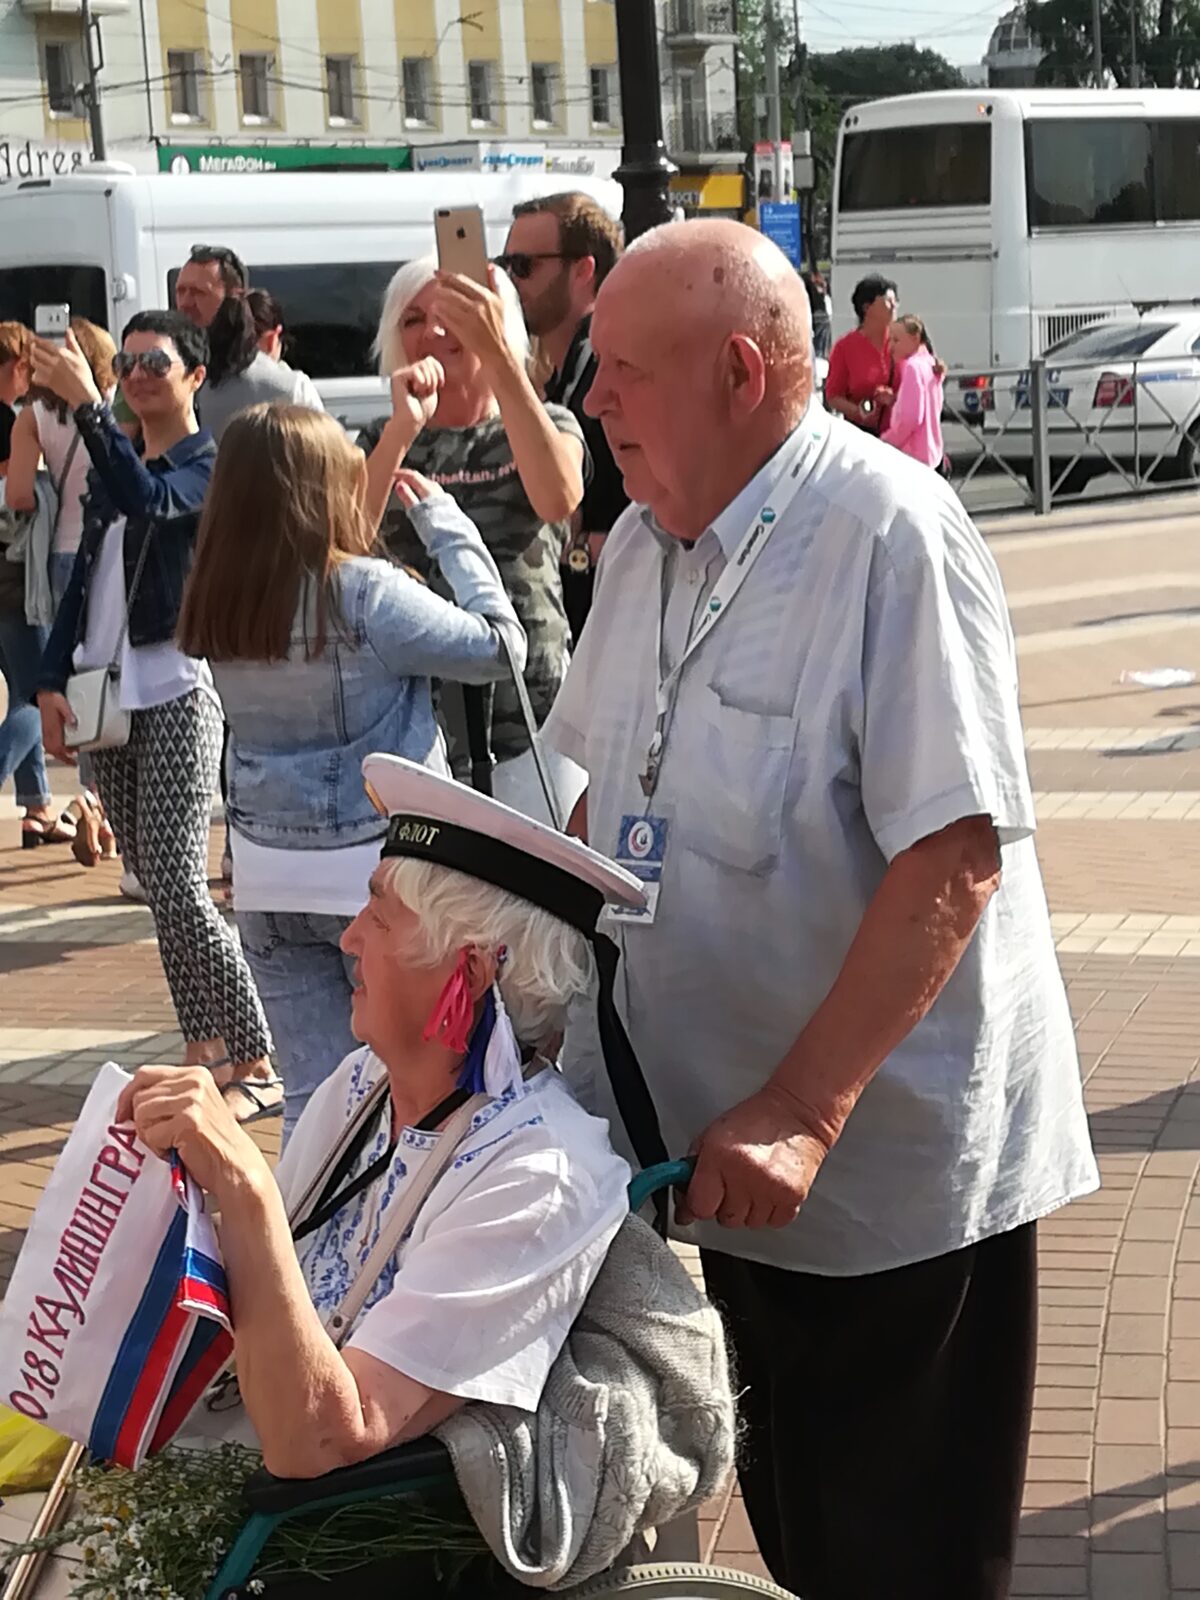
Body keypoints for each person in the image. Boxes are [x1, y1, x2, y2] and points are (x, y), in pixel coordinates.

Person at [543, 219, 1099, 1600]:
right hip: (712, 1175)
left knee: (901, 1558)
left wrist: (800, 1106)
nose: (591, 400)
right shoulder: (636, 554)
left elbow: (952, 855)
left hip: (881, 1183)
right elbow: (579, 800)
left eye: (622, 372)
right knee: (799, 1538)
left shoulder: (890, 535)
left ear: (738, 373)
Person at [118, 753, 639, 1480]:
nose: (349, 938)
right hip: (239, 1453)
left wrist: (242, 1186)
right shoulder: (366, 1081)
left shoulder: (541, 1175)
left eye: (380, 915)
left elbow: (328, 1439)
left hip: (329, 1523)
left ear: (471, 973)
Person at [176, 395, 526, 1140]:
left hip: (270, 874)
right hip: (378, 872)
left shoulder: (219, 598)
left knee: (316, 1099)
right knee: (421, 1086)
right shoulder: (362, 593)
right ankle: (409, 1245)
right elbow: (501, 647)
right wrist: (449, 528)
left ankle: (306, 1247)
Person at [33, 313, 279, 1122]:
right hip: (110, 696)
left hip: (178, 688)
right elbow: (80, 582)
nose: (139, 374)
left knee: (178, 879)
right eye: (128, 362)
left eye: (156, 363)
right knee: (151, 884)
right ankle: (203, 1047)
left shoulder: (209, 465)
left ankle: (257, 1054)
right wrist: (47, 678)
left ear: (195, 377)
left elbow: (153, 503)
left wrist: (92, 410)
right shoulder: (117, 460)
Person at [359, 259, 586, 826]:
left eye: (453, 316)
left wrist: (504, 362)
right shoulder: (380, 438)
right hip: (416, 732)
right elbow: (344, 544)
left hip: (534, 721)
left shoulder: (547, 421)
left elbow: (559, 497)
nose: (432, 333)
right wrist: (401, 433)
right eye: (413, 319)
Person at [6, 318, 123, 868]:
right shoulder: (113, 407)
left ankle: (80, 794)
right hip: (112, 548)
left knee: (68, 678)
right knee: (111, 671)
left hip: (58, 556)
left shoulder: (31, 417)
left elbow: (21, 495)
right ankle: (98, 796)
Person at [501, 191, 628, 642]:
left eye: (524, 266)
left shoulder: (611, 362)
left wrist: (587, 542)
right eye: (505, 265)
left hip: (616, 617)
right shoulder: (552, 370)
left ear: (583, 269)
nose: (510, 281)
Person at [0, 320, 73, 849]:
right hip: (17, 577)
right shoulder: (10, 422)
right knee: (33, 694)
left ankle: (37, 808)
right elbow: (19, 498)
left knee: (20, 684)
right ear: (19, 366)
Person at [824, 272, 898, 434]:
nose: (894, 306)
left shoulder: (901, 340)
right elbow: (833, 395)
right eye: (888, 301)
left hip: (902, 436)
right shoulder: (845, 347)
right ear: (867, 307)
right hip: (864, 435)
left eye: (895, 301)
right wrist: (860, 413)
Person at [882, 312, 947, 472]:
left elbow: (911, 418)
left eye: (896, 340)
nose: (890, 347)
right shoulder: (930, 363)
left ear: (915, 338)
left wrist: (886, 441)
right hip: (931, 455)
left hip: (913, 458)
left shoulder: (913, 367)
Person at [802, 269, 832, 360]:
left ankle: (817, 357)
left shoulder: (804, 288)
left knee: (814, 342)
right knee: (821, 343)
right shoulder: (815, 288)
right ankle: (821, 357)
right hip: (823, 316)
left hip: (814, 316)